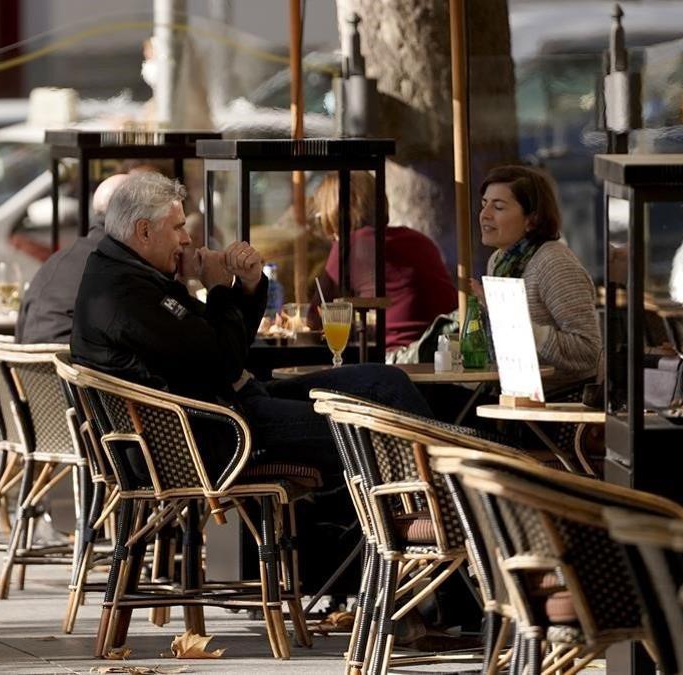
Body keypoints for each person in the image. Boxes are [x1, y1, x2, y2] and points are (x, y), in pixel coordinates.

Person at [71, 172, 432, 475]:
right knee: (369, 429)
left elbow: (228, 346)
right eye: (178, 227)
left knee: (384, 381)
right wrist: (217, 289)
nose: (186, 238)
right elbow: (222, 360)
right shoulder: (121, 293)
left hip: (230, 409)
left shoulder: (133, 273)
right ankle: (427, 515)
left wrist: (249, 286)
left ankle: (435, 492)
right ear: (144, 231)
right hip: (213, 433)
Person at [471, 165, 601, 390]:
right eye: (484, 204)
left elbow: (589, 352)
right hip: (513, 394)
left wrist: (520, 325)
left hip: (561, 403)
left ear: (532, 219)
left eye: (499, 207)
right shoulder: (499, 261)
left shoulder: (553, 263)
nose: (485, 214)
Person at [313, 171, 457, 352]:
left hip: (396, 358)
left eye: (320, 215)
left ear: (332, 212)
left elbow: (316, 319)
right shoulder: (419, 240)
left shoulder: (349, 246)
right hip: (442, 352)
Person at [16, 172, 130, 343]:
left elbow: (20, 334)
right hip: (76, 367)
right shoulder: (119, 264)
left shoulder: (55, 262)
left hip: (26, 367)